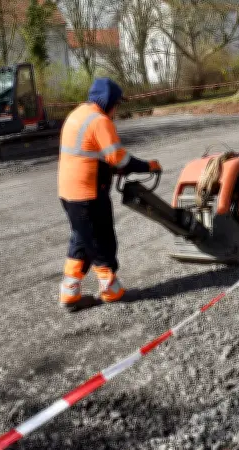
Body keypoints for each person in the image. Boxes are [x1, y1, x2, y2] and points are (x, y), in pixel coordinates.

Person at [57, 78, 162, 309]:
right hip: (88, 195)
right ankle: (111, 290)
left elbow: (88, 153)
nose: (116, 110)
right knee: (101, 239)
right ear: (108, 102)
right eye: (116, 104)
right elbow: (120, 159)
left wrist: (110, 168)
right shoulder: (100, 121)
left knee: (81, 238)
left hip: (68, 193)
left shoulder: (77, 114)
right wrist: (148, 166)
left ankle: (69, 293)